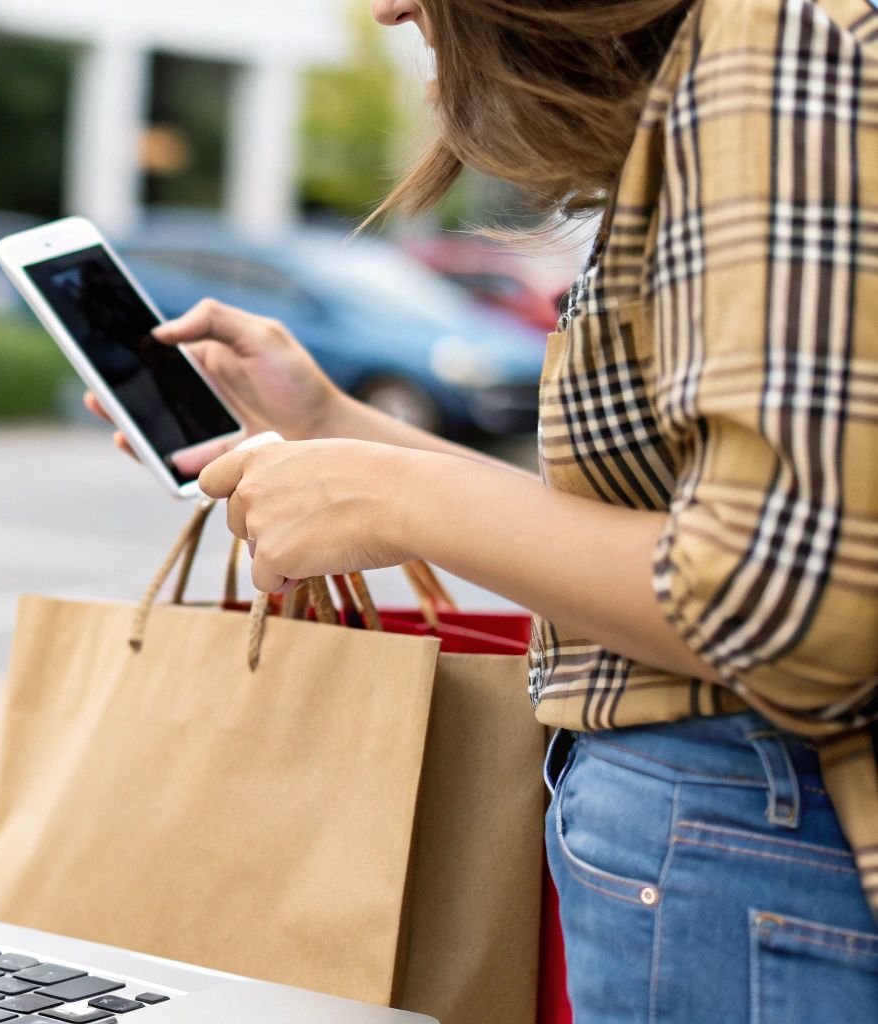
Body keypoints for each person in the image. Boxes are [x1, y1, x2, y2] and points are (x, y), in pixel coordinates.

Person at [87, 0, 878, 1019]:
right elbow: (688, 540)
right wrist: (328, 419)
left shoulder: (774, 39)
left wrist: (398, 497)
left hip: (751, 834)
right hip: (745, 841)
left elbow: (787, 601)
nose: (387, 7)